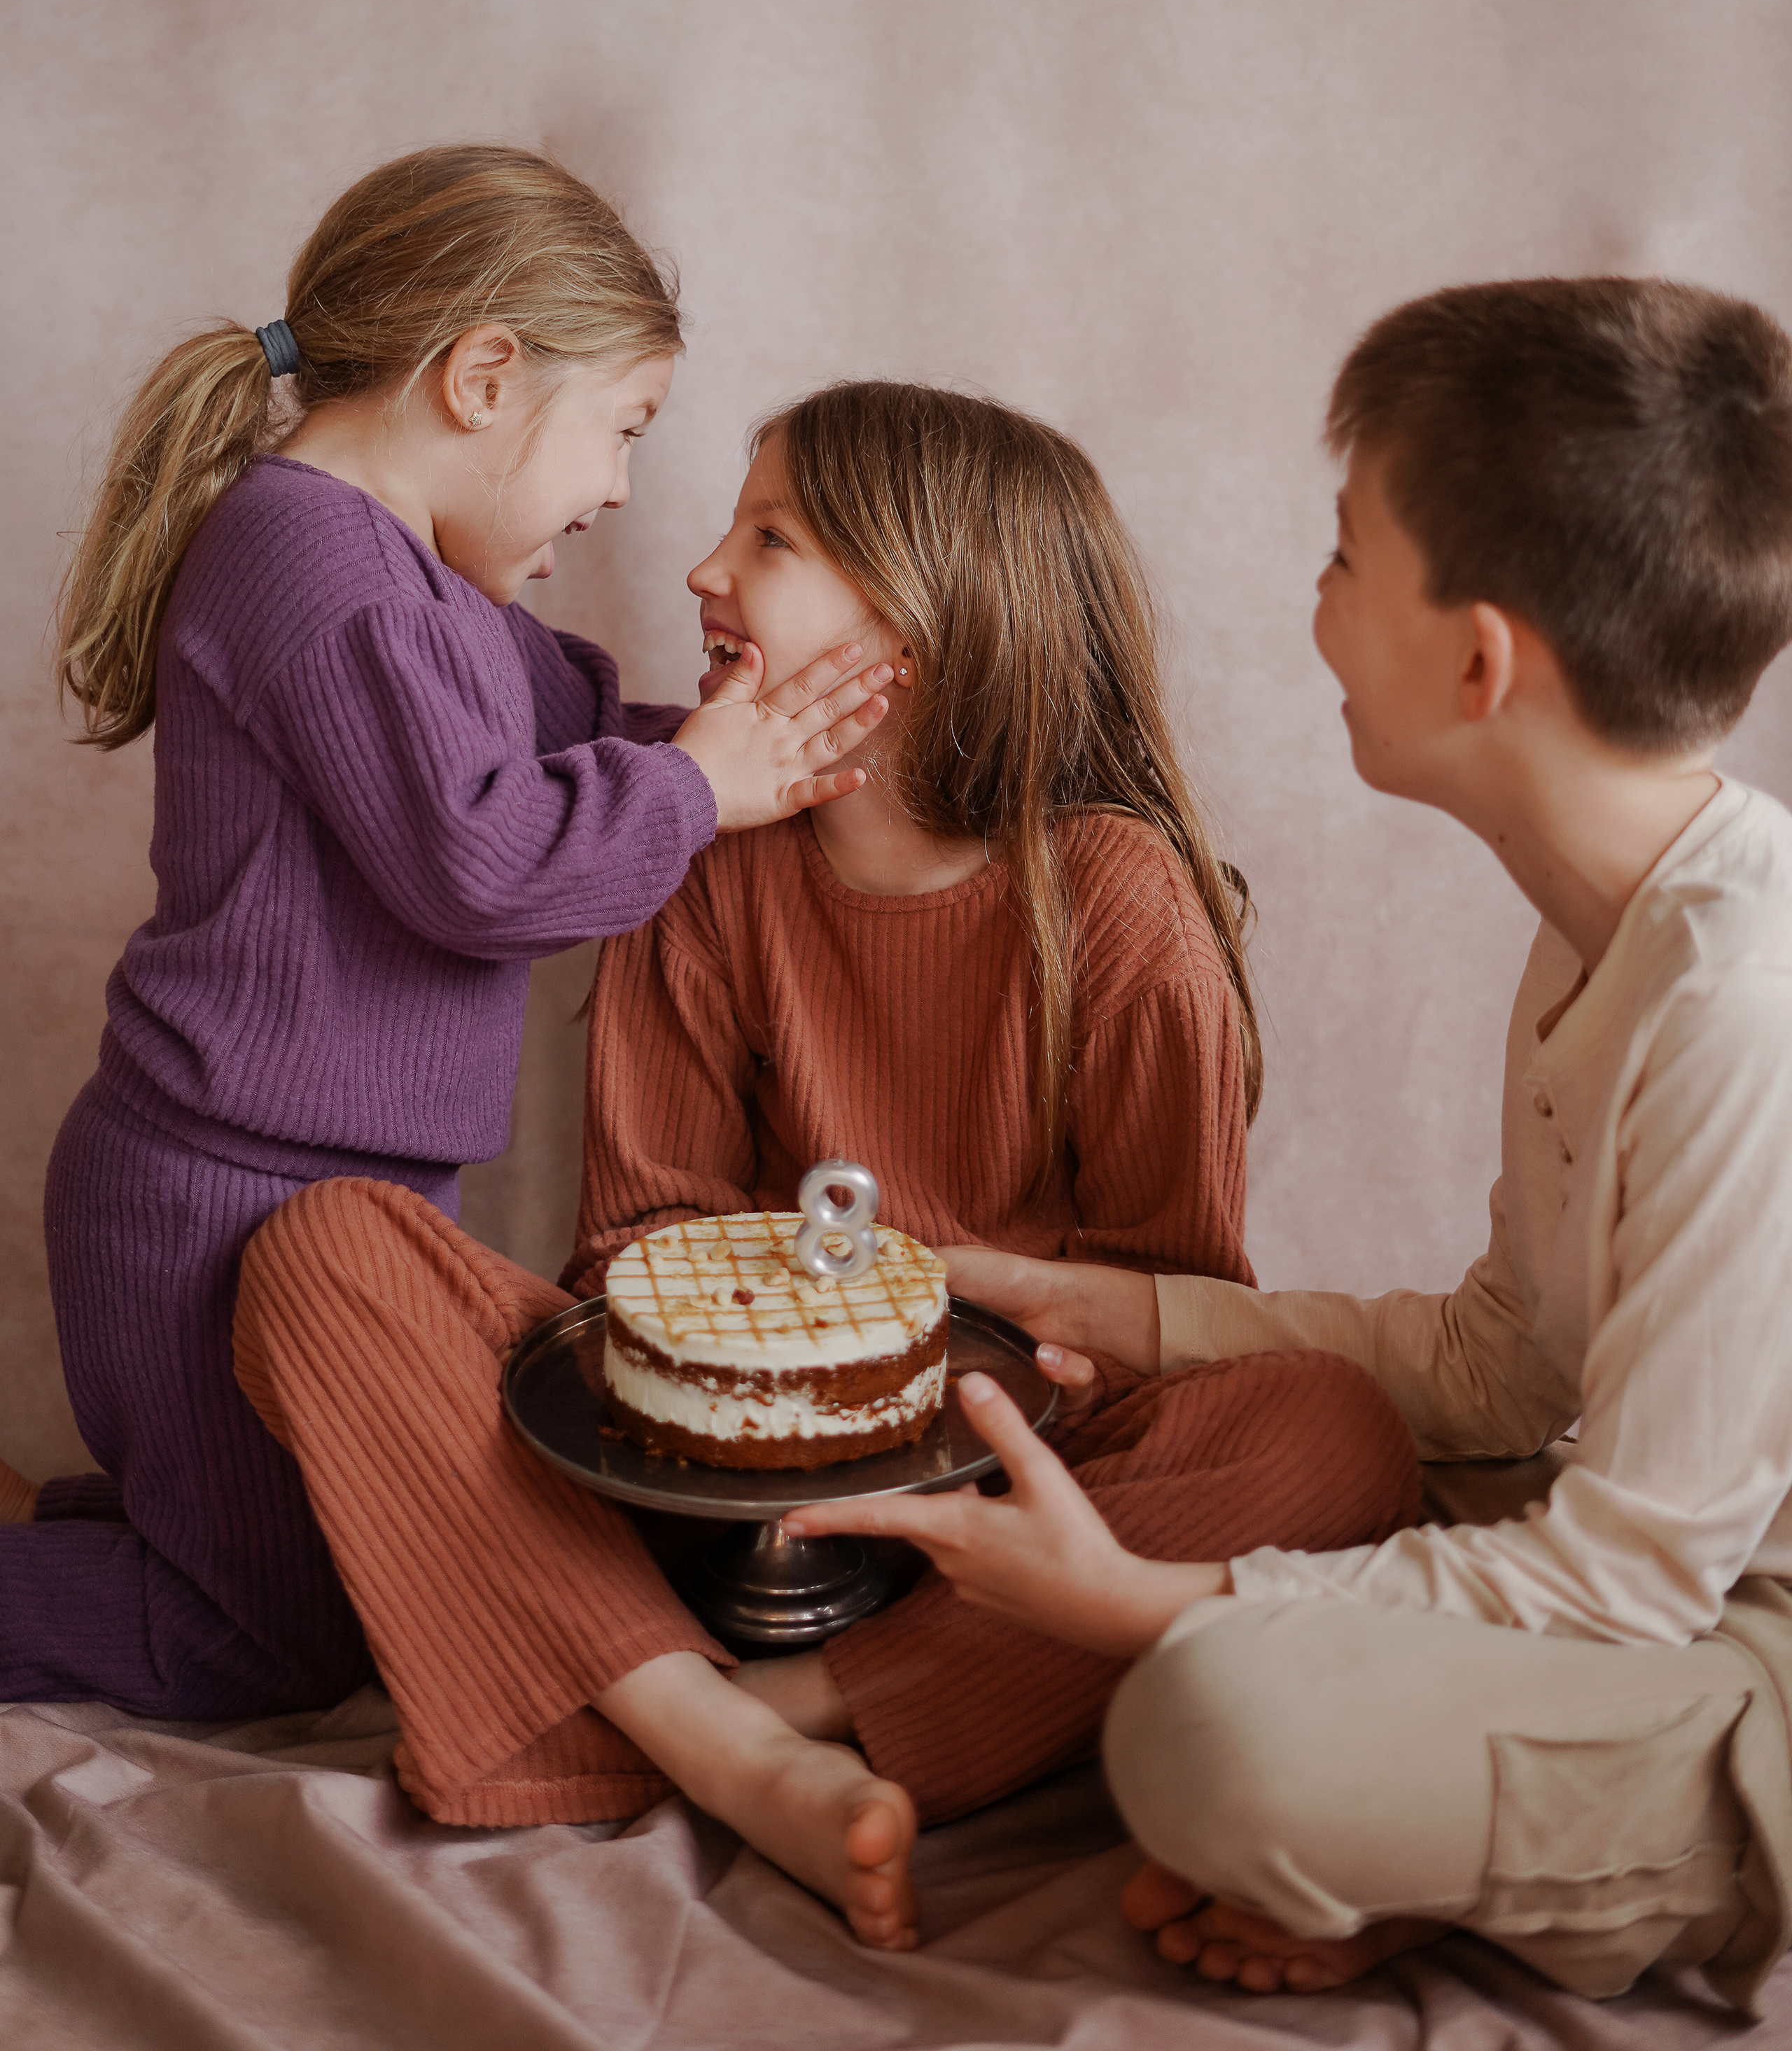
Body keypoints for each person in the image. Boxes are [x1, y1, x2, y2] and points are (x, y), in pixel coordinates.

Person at [231, 381, 1420, 1949]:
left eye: (768, 537)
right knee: (325, 1252)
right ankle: (726, 1749)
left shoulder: (1118, 908)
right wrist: (770, 1384)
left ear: (913, 633)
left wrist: (955, 1373)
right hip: (710, 1477)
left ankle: (756, 1711)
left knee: (1333, 1429)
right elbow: (637, 1235)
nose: (699, 569)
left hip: (1000, 1495)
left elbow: (1171, 1301)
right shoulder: (700, 853)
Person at [802, 278, 1792, 2015]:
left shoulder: (1740, 1000)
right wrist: (1104, 1311)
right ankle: (1451, 1843)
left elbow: (1634, 1572)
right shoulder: (1597, 925)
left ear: (1477, 656)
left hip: (1735, 1629)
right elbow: (1500, 1370)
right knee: (1304, 1472)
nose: (1312, 609)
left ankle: (1606, 1851)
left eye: (1342, 561)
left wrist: (1127, 1606)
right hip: (1637, 1543)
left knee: (1208, 1727)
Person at [3, 144, 894, 1720]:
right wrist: (700, 792)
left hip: (335, 1194)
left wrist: (762, 757)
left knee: (331, 1567)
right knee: (255, 1641)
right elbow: (485, 864)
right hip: (218, 1193)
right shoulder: (314, 568)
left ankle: (52, 1529)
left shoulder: (434, 596)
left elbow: (581, 744)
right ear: (482, 377)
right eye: (620, 431)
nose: (620, 490)